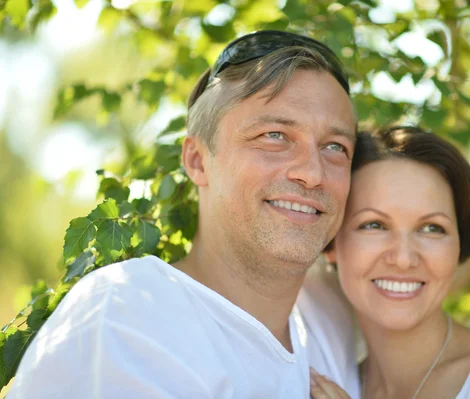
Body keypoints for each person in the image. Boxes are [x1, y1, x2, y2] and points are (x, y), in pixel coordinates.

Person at [9, 30, 360, 398]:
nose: (313, 172)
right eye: (274, 135)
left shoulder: (334, 321)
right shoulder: (126, 316)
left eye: (335, 146)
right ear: (197, 160)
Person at [309, 127, 470, 399]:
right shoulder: (317, 383)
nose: (403, 258)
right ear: (331, 243)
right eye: (374, 225)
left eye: (432, 228)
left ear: (460, 246)